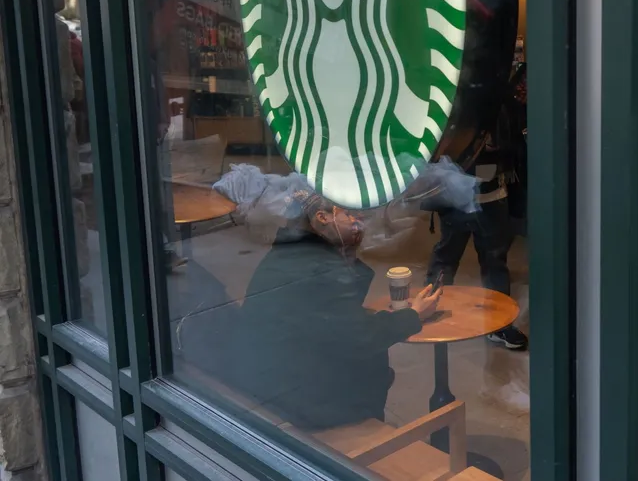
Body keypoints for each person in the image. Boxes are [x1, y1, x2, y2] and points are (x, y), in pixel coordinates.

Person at [204, 192, 443, 431]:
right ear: (322, 217)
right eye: (349, 213)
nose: (359, 220)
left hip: (266, 380)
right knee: (375, 364)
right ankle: (363, 430)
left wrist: (347, 255)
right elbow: (359, 337)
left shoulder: (291, 252)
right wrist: (413, 316)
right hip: (295, 399)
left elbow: (332, 318)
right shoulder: (318, 267)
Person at [426, 136, 528, 350]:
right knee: (447, 257)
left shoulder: (504, 108)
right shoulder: (464, 109)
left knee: (494, 261)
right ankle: (429, 310)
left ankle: (498, 323)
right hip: (456, 195)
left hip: (492, 195)